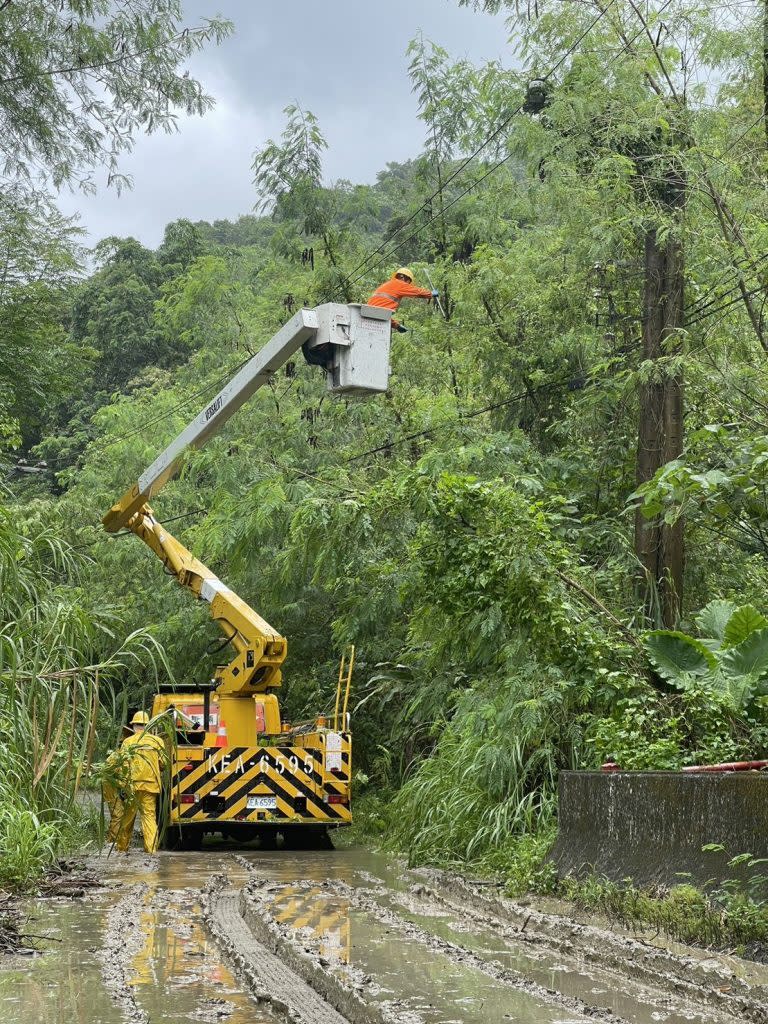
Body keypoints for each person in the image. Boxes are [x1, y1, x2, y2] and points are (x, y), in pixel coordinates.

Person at [115, 710, 167, 854]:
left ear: (133, 726)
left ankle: (121, 850)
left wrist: (122, 786)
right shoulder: (157, 741)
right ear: (148, 725)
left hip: (132, 787)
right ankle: (151, 852)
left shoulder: (128, 742)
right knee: (149, 818)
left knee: (127, 821)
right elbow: (163, 764)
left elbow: (122, 766)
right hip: (150, 787)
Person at [367, 267, 438, 333]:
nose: (408, 285)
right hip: (376, 319)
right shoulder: (400, 284)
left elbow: (382, 314)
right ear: (404, 278)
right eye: (408, 282)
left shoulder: (388, 285)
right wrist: (430, 293)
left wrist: (397, 326)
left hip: (368, 315)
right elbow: (416, 292)